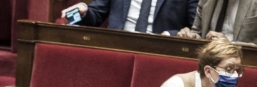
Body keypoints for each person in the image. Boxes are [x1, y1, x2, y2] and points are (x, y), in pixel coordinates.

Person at [61, 0, 197, 34]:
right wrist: (82, 11)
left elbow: (196, 29)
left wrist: (170, 35)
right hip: (117, 46)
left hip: (161, 50)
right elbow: (95, 15)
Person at [178, 0, 257, 44]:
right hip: (206, 61)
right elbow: (198, 32)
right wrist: (191, 36)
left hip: (241, 65)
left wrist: (230, 45)